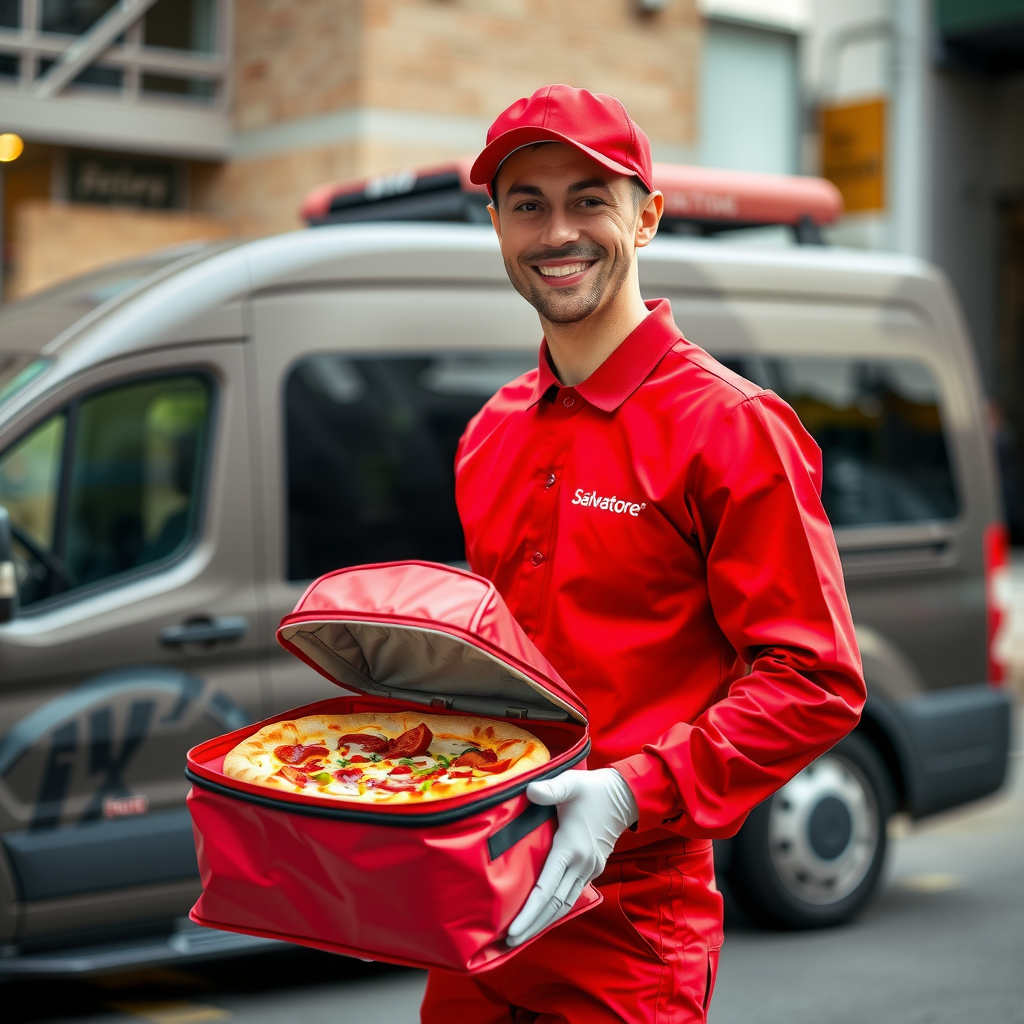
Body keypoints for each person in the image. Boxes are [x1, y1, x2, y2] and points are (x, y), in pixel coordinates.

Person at [422, 84, 866, 1023]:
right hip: (477, 898)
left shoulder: (733, 427)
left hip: (633, 920)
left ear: (647, 216)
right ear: (495, 224)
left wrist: (629, 794)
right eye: (528, 203)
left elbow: (815, 678)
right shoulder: (486, 435)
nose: (558, 232)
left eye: (590, 198)